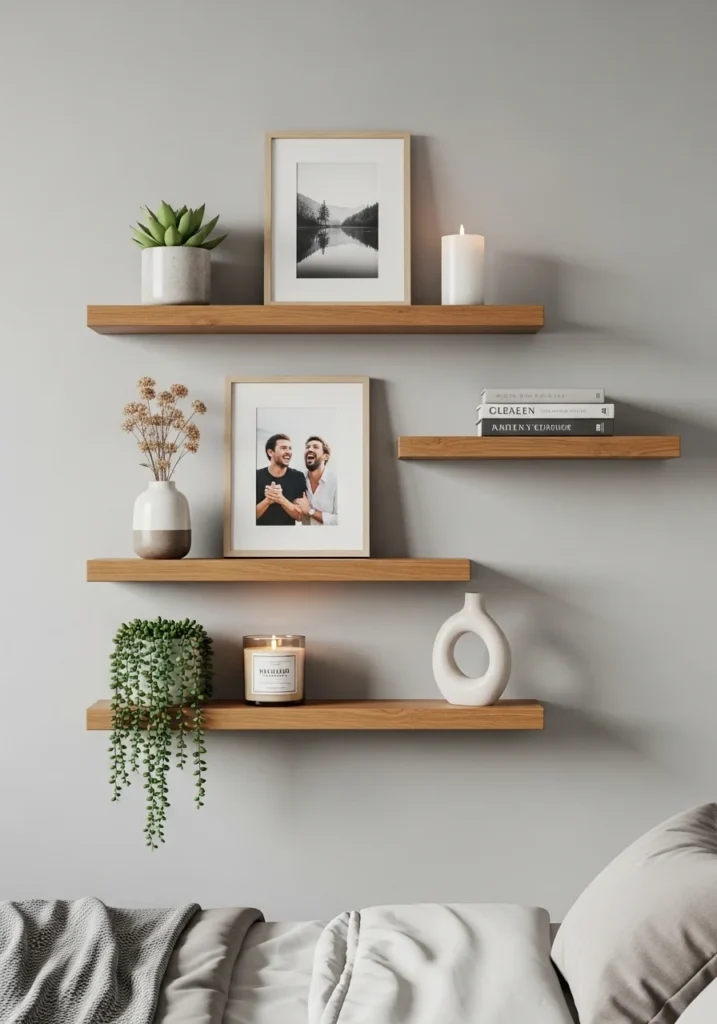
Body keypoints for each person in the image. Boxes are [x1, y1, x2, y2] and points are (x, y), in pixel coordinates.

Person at [255, 434, 305, 525]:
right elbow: (249, 516)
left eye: (290, 448)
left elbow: (300, 516)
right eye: (283, 448)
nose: (288, 452)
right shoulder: (256, 476)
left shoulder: (298, 477)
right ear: (271, 452)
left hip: (287, 536)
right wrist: (267, 501)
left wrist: (280, 499)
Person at [294, 435, 338, 525]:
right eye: (307, 447)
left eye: (315, 447)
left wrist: (310, 511)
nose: (309, 449)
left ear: (325, 456)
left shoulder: (336, 481)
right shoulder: (299, 479)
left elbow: (338, 519)